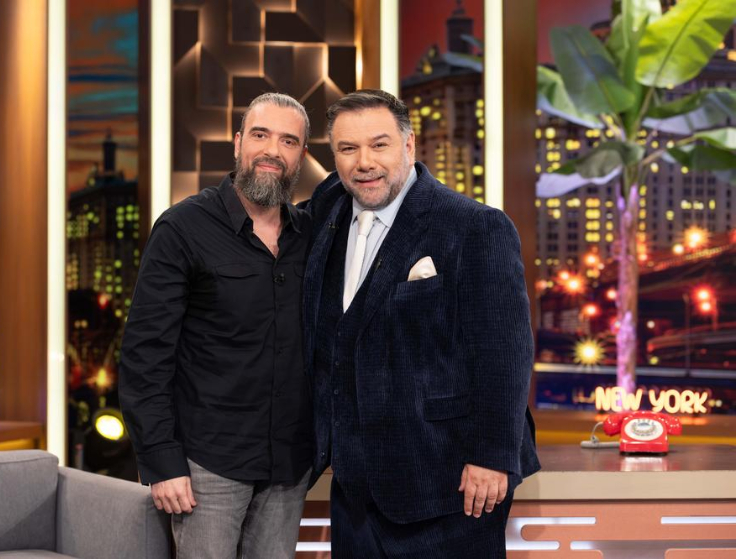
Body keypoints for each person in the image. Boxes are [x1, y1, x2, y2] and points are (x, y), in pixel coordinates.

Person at [302, 89, 540, 557]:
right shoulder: (327, 210)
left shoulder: (475, 226)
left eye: (380, 145)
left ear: (409, 145)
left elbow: (504, 353)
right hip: (353, 491)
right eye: (348, 149)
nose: (364, 162)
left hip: (450, 486)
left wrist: (492, 457)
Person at [119, 92, 313, 559]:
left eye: (288, 141)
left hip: (289, 465)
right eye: (261, 135)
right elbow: (145, 356)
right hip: (207, 466)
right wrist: (162, 460)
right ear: (238, 142)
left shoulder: (311, 235)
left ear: (302, 156)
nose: (272, 150)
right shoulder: (183, 228)